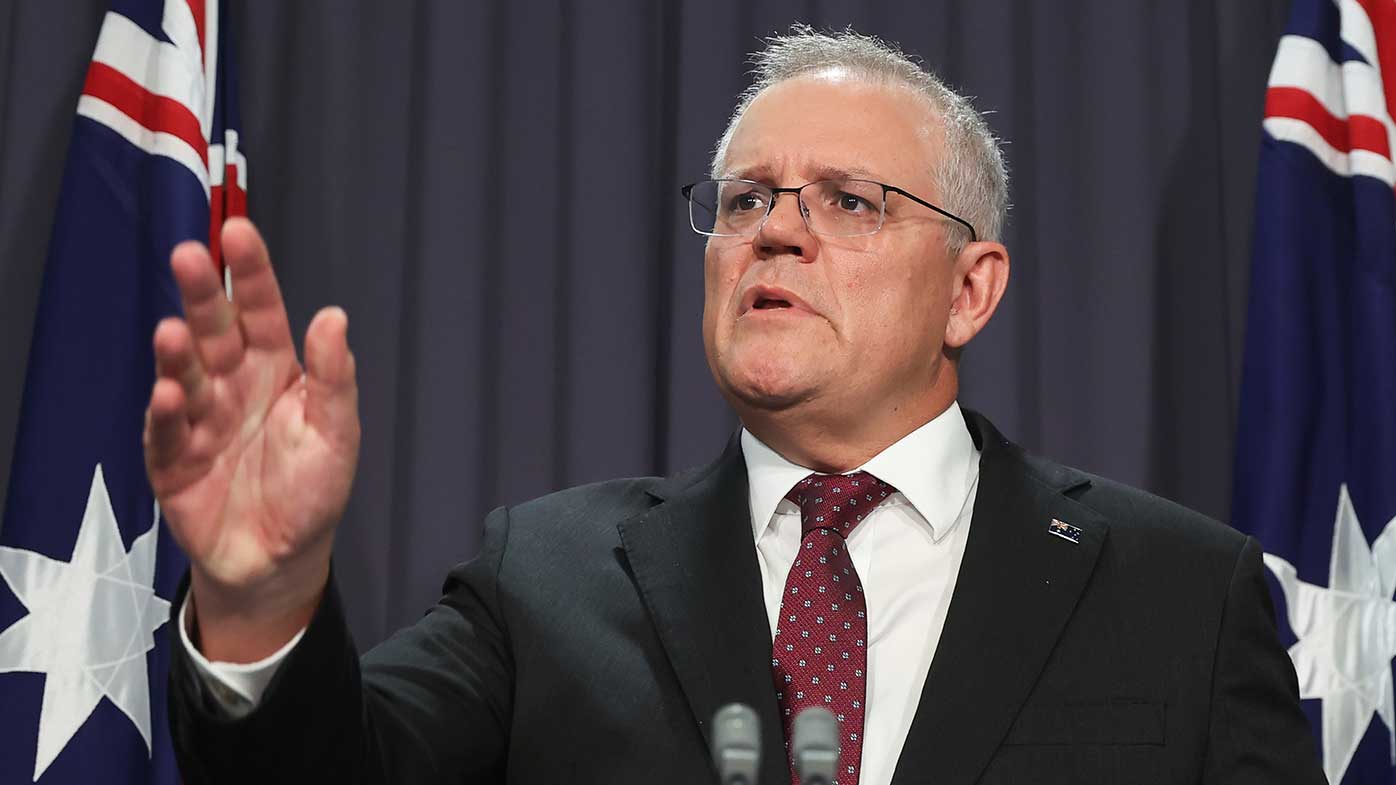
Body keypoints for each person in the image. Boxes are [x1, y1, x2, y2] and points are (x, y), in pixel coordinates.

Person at [147, 26, 1324, 785]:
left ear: (971, 288)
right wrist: (259, 599)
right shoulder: (545, 577)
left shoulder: (1180, 591)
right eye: (748, 195)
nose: (776, 226)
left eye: (851, 201)